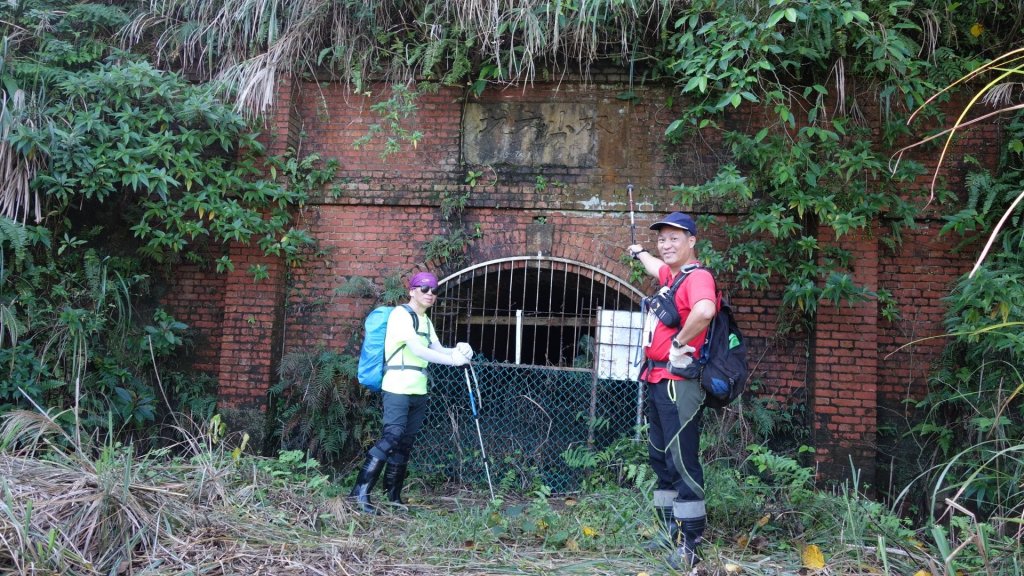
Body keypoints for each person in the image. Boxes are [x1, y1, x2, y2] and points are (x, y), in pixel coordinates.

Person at [628, 211, 717, 570]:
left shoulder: (698, 278)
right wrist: (639, 253)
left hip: (678, 384)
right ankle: (669, 532)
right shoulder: (672, 277)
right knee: (661, 459)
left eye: (674, 239)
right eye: (661, 239)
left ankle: (690, 543)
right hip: (656, 380)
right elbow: (654, 266)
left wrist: (679, 342)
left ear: (692, 242)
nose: (665, 245)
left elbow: (706, 310)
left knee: (682, 461)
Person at [349, 271, 474, 514]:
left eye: (434, 290)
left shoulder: (425, 321)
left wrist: (460, 351)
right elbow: (418, 349)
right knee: (392, 437)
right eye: (424, 289)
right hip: (397, 386)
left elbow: (438, 348)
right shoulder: (400, 315)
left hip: (418, 389)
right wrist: (452, 362)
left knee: (405, 442)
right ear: (412, 291)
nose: (430, 294)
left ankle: (393, 497)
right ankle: (359, 492)